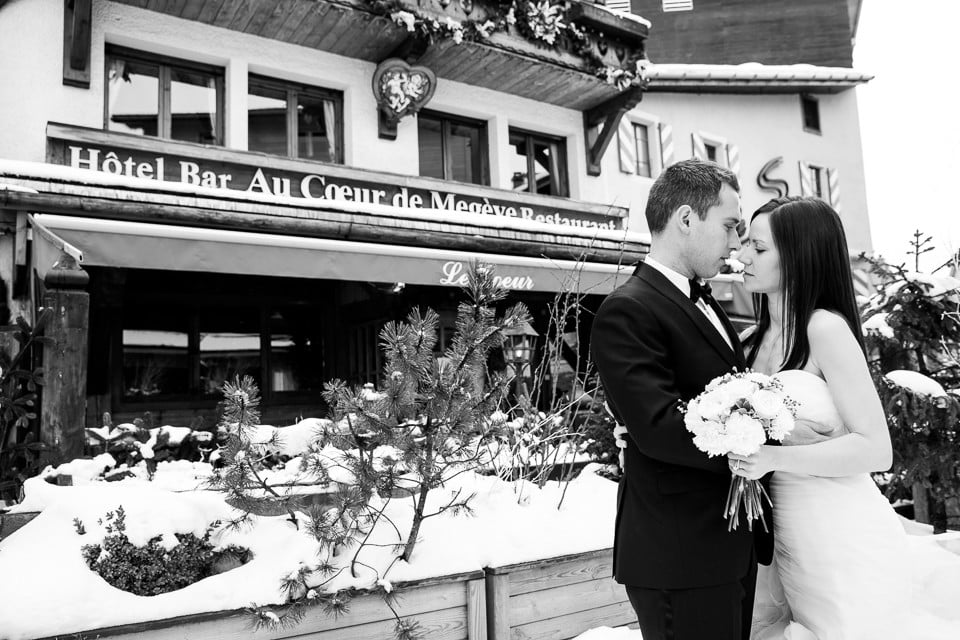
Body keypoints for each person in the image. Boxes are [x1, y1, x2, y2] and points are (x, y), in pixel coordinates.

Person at [730, 196, 960, 640]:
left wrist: (774, 458)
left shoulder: (824, 330)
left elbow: (877, 449)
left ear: (798, 256)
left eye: (758, 249)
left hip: (839, 533)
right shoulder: (749, 340)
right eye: (745, 245)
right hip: (778, 537)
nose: (742, 257)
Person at [591, 159, 772, 640]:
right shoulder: (627, 309)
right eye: (731, 225)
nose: (736, 242)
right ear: (687, 219)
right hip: (679, 555)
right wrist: (762, 444)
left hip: (727, 543)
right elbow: (658, 427)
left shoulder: (705, 298)